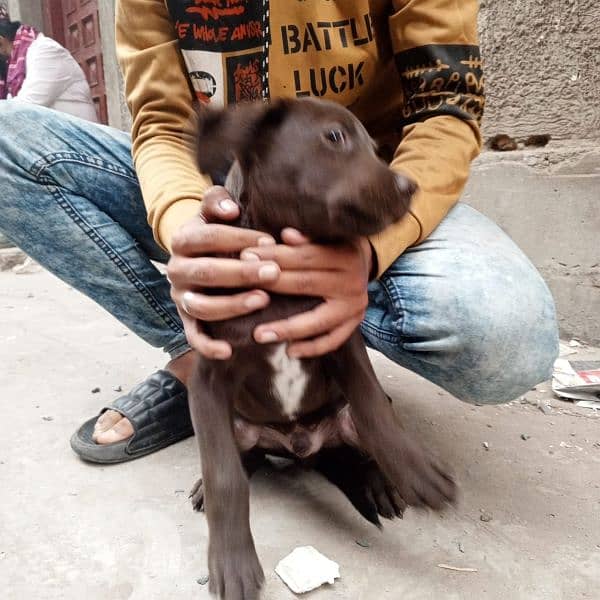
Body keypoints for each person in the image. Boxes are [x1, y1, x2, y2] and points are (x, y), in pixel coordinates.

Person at [0, 0, 558, 463]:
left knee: (505, 338)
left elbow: (445, 110)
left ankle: (319, 342)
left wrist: (369, 251)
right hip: (226, 187)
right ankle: (208, 355)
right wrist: (186, 230)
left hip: (370, 187)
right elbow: (165, 124)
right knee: (10, 142)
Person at [0, 10, 98, 122]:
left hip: (79, 138)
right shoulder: (13, 71)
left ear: (1, 42)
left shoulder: (45, 51)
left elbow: (23, 111)